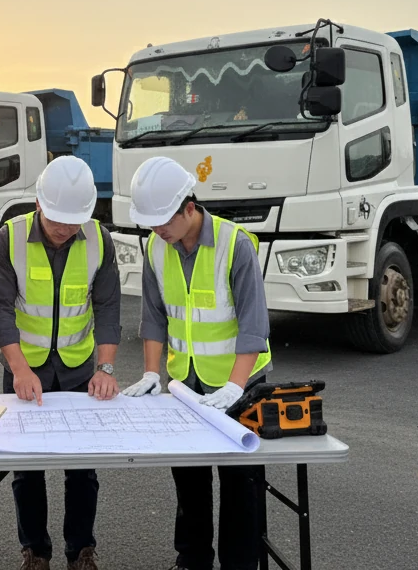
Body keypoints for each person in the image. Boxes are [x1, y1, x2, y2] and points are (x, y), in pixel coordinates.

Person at [121, 156, 273, 570]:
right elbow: (153, 315)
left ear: (189, 208)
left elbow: (253, 325)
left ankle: (241, 565)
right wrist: (153, 372)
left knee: (240, 483)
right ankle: (192, 561)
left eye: (162, 221)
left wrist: (236, 386)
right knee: (188, 480)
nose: (156, 230)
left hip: (238, 383)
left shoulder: (234, 244)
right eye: (150, 223)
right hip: (185, 385)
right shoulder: (157, 247)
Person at [0, 156, 122, 570]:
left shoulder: (99, 240)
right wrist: (19, 369)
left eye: (73, 221)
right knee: (27, 468)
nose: (65, 230)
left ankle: (81, 549)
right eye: (57, 220)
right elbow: (0, 310)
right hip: (25, 369)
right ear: (40, 205)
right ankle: (36, 551)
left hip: (80, 370)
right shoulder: (10, 238)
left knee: (83, 466)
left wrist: (106, 368)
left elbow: (108, 308)